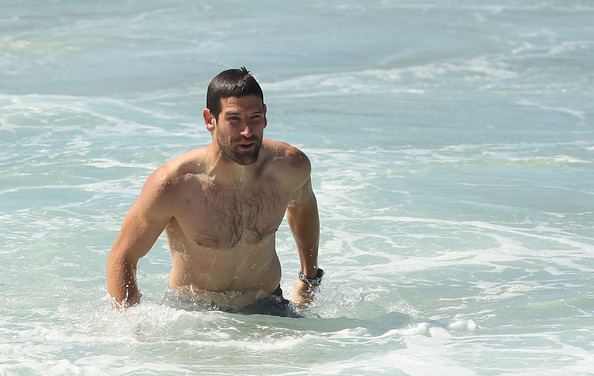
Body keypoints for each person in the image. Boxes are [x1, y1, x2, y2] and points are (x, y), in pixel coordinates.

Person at [106, 67, 323, 316]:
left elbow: (303, 206)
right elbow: (122, 255)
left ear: (265, 115)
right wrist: (130, 328)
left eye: (254, 118)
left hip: (269, 306)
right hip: (195, 314)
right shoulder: (175, 184)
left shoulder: (290, 167)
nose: (247, 132)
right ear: (210, 120)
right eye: (234, 119)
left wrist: (309, 279)